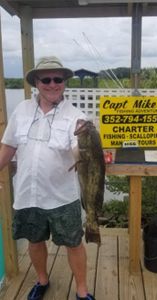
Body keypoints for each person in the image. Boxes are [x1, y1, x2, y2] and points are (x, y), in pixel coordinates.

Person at [0, 56, 95, 300]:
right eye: (47, 79)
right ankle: (42, 281)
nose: (53, 84)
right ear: (36, 82)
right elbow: (8, 147)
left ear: (64, 82)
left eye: (58, 79)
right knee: (34, 240)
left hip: (63, 197)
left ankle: (82, 291)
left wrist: (88, 146)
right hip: (27, 194)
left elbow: (80, 150)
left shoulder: (77, 117)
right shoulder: (21, 110)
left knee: (74, 243)